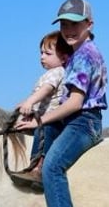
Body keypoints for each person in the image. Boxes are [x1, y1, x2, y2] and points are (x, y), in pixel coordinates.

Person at [15, 0, 107, 207]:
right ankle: (35, 166)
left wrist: (39, 120)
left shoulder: (85, 56)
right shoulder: (78, 54)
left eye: (75, 24)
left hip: (84, 121)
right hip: (73, 119)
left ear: (89, 24)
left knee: (53, 168)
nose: (69, 29)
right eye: (65, 24)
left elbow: (75, 103)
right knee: (49, 128)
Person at [12, 31, 73, 191]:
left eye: (48, 53)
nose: (42, 57)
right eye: (41, 53)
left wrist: (30, 101)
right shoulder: (49, 74)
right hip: (42, 117)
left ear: (64, 57)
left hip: (51, 120)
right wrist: (27, 105)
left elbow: (46, 90)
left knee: (44, 131)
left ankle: (38, 168)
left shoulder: (57, 72)